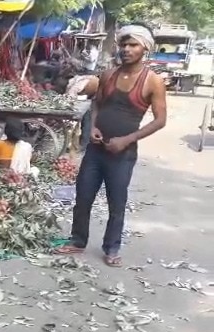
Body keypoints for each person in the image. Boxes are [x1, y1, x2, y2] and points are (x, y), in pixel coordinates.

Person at [56, 25, 167, 267]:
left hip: (123, 154)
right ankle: (77, 240)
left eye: (133, 45)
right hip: (96, 151)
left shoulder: (153, 81)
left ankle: (112, 247)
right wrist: (93, 127)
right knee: (83, 197)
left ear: (144, 48)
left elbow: (160, 120)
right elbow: (96, 104)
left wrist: (127, 140)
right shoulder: (108, 75)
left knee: (116, 202)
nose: (127, 50)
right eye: (124, 45)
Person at [54, 74, 99, 149]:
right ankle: (82, 143)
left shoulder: (77, 85)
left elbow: (70, 96)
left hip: (87, 98)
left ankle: (78, 143)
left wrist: (65, 102)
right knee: (86, 118)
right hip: (88, 99)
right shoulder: (80, 81)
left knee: (80, 120)